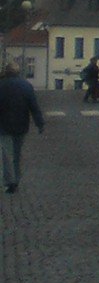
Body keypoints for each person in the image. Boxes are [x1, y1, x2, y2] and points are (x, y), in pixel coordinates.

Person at [0, 63, 44, 194]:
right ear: (18, 73)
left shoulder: (1, 86)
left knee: (7, 154)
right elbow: (34, 106)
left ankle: (10, 181)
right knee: (17, 154)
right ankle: (17, 178)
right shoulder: (26, 86)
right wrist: (39, 123)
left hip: (4, 125)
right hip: (21, 125)